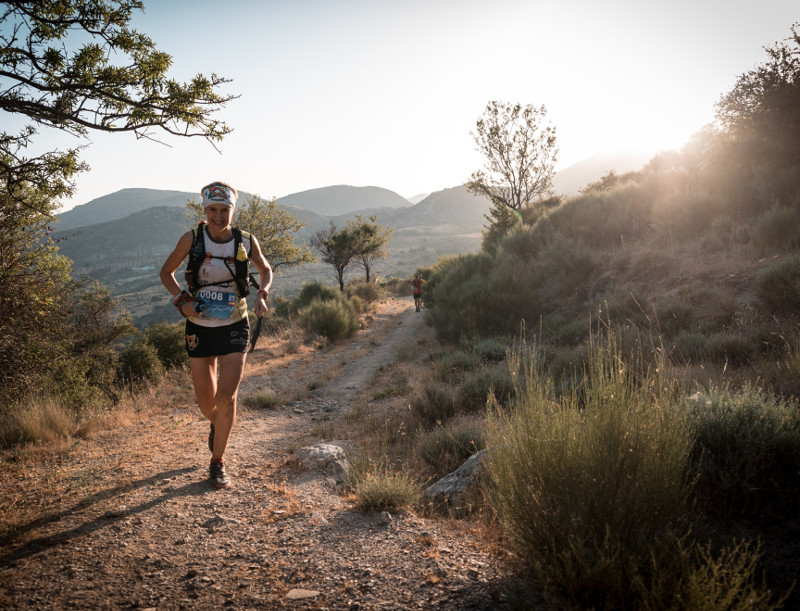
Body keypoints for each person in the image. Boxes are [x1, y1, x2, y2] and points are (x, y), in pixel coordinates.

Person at [160, 181, 272, 489]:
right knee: (206, 403)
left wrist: (262, 293)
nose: (219, 217)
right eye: (213, 210)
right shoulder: (192, 238)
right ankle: (216, 423)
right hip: (199, 326)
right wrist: (182, 301)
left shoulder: (246, 241)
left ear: (233, 210)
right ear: (205, 210)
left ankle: (217, 462)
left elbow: (265, 269)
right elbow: (166, 273)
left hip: (236, 324)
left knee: (227, 398)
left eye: (225, 211)